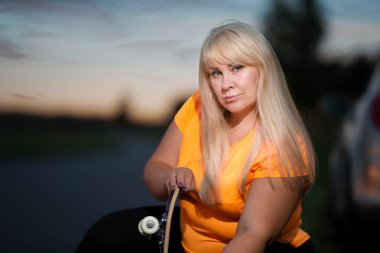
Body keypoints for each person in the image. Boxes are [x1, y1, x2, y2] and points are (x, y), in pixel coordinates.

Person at [143, 20, 316, 253]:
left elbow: (252, 235)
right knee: (107, 235)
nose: (226, 85)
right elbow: (155, 168)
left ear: (263, 68)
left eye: (237, 68)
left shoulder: (283, 144)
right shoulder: (197, 106)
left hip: (260, 248)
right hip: (186, 242)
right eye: (216, 73)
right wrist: (171, 177)